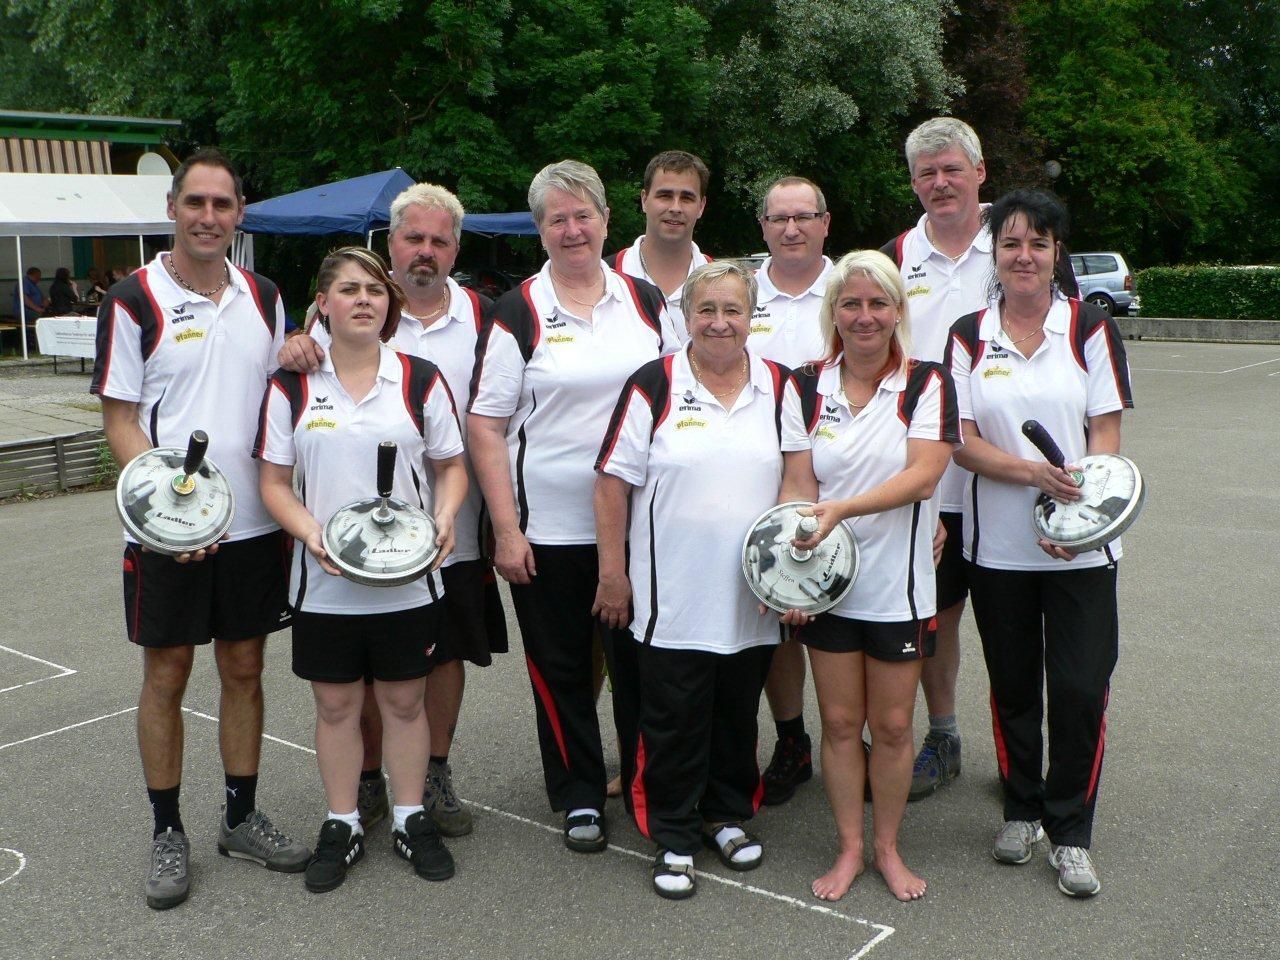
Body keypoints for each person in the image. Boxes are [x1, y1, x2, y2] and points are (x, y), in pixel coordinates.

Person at [90, 147, 308, 910]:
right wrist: (165, 512)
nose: (209, 217)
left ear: (239, 213)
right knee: (168, 675)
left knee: (244, 669)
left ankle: (240, 819)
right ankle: (167, 831)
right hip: (169, 530)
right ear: (174, 209)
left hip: (252, 527)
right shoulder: (133, 298)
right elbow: (119, 416)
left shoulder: (266, 293)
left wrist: (302, 350)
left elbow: (282, 388)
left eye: (223, 204)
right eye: (196, 204)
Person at [278, 183, 508, 839]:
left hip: (449, 534)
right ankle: (368, 782)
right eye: (414, 238)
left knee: (438, 662)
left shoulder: (486, 317)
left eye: (439, 241)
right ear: (391, 244)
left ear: (455, 249)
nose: (426, 252)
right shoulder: (341, 318)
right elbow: (302, 364)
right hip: (346, 546)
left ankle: (431, 774)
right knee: (361, 672)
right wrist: (294, 339)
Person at [468, 159, 673, 854]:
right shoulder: (516, 312)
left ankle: (646, 784)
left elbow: (678, 400)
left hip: (641, 528)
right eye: (557, 218)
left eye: (583, 215)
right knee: (559, 672)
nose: (572, 228)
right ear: (540, 230)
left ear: (607, 220)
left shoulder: (646, 302)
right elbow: (486, 425)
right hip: (548, 531)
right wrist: (505, 528)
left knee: (640, 665)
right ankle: (579, 793)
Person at [257, 246, 468, 893]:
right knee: (336, 703)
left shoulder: (420, 378)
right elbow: (273, 482)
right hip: (326, 583)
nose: (364, 300)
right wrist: (312, 534)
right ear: (323, 303)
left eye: (375, 289)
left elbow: (451, 467)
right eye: (349, 289)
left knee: (405, 702)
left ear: (389, 303)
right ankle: (343, 821)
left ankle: (408, 816)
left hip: (407, 580)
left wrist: (446, 517)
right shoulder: (291, 386)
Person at [595, 260, 807, 899]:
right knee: (675, 717)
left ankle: (726, 815)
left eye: (733, 311)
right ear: (685, 318)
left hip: (752, 592)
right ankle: (675, 835)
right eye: (706, 311)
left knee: (737, 712)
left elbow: (798, 478)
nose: (720, 323)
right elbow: (611, 484)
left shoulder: (779, 385)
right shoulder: (653, 383)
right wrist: (612, 573)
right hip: (672, 595)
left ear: (751, 318)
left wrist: (792, 578)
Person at [944, 188, 1133, 898]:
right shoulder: (967, 334)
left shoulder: (1087, 327)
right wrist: (1030, 474)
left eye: (1038, 243)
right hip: (999, 552)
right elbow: (961, 443)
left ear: (1057, 254)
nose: (1024, 256)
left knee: (1081, 688)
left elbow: (1106, 436)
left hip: (1083, 547)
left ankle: (1071, 829)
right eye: (1011, 243)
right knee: (1015, 688)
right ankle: (1022, 808)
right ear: (995, 254)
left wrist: (1074, 519)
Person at [780, 250, 959, 902]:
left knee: (890, 727)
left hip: (899, 589)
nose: (864, 316)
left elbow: (924, 475)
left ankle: (887, 847)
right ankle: (851, 847)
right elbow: (797, 486)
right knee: (836, 721)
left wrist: (845, 509)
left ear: (897, 312)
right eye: (851, 304)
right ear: (834, 313)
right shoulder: (802, 385)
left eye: (877, 303)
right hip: (827, 587)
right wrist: (793, 580)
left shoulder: (927, 382)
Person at [879, 117, 990, 801]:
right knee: (935, 617)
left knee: (1015, 623)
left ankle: (1022, 748)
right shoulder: (895, 256)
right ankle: (943, 734)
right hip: (932, 476)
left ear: (980, 171)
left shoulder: (1019, 245)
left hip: (1008, 474)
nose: (940, 182)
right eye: (927, 173)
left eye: (952, 169)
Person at [749, 175, 834, 806]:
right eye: (779, 219)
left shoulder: (854, 287)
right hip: (762, 480)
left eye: (804, 216)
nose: (792, 228)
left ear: (826, 222)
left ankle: (846, 737)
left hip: (849, 479)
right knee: (780, 621)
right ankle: (792, 739)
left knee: (844, 624)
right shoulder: (739, 296)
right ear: (764, 229)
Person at [609, 150, 712, 333]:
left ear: (701, 206)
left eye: (687, 198)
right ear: (644, 199)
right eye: (665, 196)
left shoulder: (721, 281)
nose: (675, 208)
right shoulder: (605, 276)